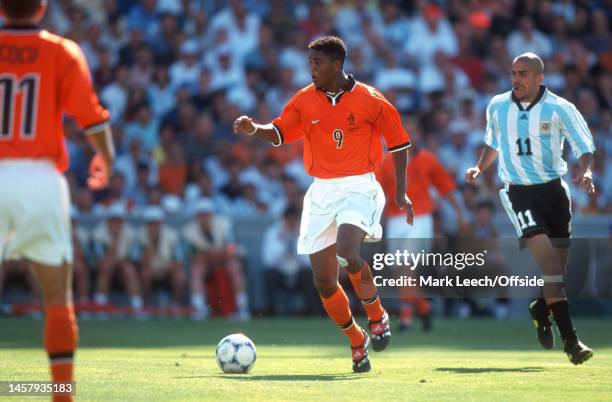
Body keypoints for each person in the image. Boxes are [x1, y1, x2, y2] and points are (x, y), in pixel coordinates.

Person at [233, 36, 413, 372]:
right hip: (321, 192)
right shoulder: (304, 99)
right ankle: (356, 340)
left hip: (360, 186)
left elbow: (400, 144)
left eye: (317, 63)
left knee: (347, 252)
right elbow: (279, 132)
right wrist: (253, 129)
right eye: (309, 63)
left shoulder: (371, 99)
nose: (311, 69)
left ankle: (377, 315)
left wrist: (401, 191)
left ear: (336, 65)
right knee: (324, 282)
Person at [0, 1, 115, 401]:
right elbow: (91, 118)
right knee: (56, 299)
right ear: (42, 7)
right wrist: (108, 158)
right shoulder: (62, 51)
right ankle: (60, 396)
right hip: (40, 178)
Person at [466, 52, 595, 365]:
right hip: (519, 193)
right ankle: (572, 341)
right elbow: (493, 143)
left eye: (522, 73)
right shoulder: (497, 105)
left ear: (539, 77)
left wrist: (587, 171)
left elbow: (585, 146)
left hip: (554, 192)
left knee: (557, 271)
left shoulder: (561, 108)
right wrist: (480, 168)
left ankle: (540, 307)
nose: (516, 79)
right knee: (550, 264)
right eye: (512, 73)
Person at [376, 135, 465, 332]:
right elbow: (378, 193)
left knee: (407, 267)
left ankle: (406, 319)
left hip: (420, 217)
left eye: (413, 134)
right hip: (394, 219)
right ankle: (424, 307)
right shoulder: (386, 161)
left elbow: (446, 187)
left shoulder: (427, 159)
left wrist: (459, 213)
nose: (409, 139)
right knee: (399, 272)